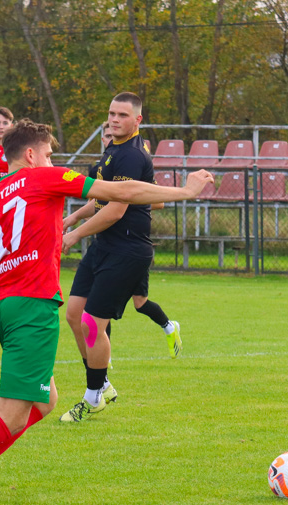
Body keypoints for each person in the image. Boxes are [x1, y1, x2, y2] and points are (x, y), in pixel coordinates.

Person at [0, 118, 213, 505]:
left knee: (45, 401)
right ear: (30, 155)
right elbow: (123, 191)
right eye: (48, 154)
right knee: (10, 415)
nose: (51, 160)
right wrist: (186, 189)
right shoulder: (43, 178)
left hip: (3, 309)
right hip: (33, 307)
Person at [59, 92, 182, 425]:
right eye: (111, 114)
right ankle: (102, 384)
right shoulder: (111, 150)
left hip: (126, 250)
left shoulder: (129, 155)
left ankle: (92, 397)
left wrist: (73, 235)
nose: (114, 120)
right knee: (73, 314)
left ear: (137, 120)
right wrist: (72, 218)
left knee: (91, 323)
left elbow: (114, 210)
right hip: (104, 246)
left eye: (122, 115)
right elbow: (102, 198)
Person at [71, 120, 180, 356]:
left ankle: (169, 327)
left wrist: (129, 198)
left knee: (139, 303)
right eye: (106, 134)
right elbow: (98, 202)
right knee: (95, 310)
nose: (110, 137)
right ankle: (102, 369)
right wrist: (72, 220)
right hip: (109, 243)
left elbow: (157, 201)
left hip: (130, 244)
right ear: (102, 138)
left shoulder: (132, 160)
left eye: (113, 133)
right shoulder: (101, 167)